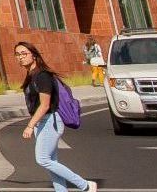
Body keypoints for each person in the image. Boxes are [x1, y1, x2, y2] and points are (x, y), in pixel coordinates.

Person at [16, 41, 97, 192]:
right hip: (42, 122)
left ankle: (85, 185)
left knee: (43, 159)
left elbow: (45, 105)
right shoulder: (31, 75)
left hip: (50, 121)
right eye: (17, 54)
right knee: (51, 162)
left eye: (24, 53)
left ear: (34, 55)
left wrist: (30, 125)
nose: (20, 57)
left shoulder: (42, 75)